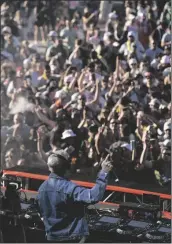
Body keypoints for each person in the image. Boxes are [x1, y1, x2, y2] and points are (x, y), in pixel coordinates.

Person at [37, 149, 113, 243]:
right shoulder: (69, 188)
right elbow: (94, 196)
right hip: (71, 239)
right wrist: (104, 172)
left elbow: (41, 213)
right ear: (66, 166)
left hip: (52, 238)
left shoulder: (42, 188)